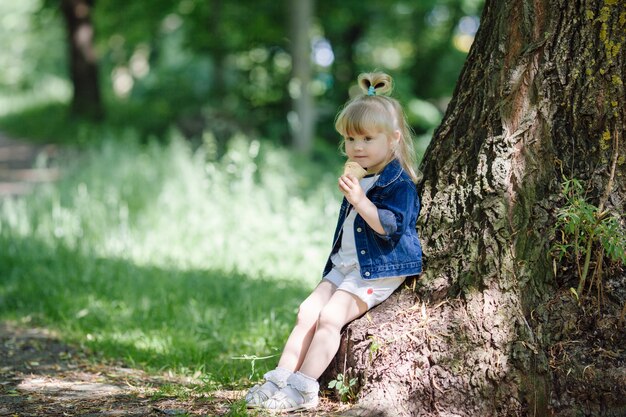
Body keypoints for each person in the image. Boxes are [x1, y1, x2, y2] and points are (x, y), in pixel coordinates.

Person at [245, 71, 423, 412]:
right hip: (346, 264)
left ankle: (304, 388)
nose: (357, 148)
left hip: (378, 269)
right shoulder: (363, 175)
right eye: (351, 140)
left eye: (368, 139)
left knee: (330, 318)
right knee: (307, 312)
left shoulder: (399, 183)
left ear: (394, 139)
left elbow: (391, 228)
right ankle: (279, 378)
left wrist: (360, 200)